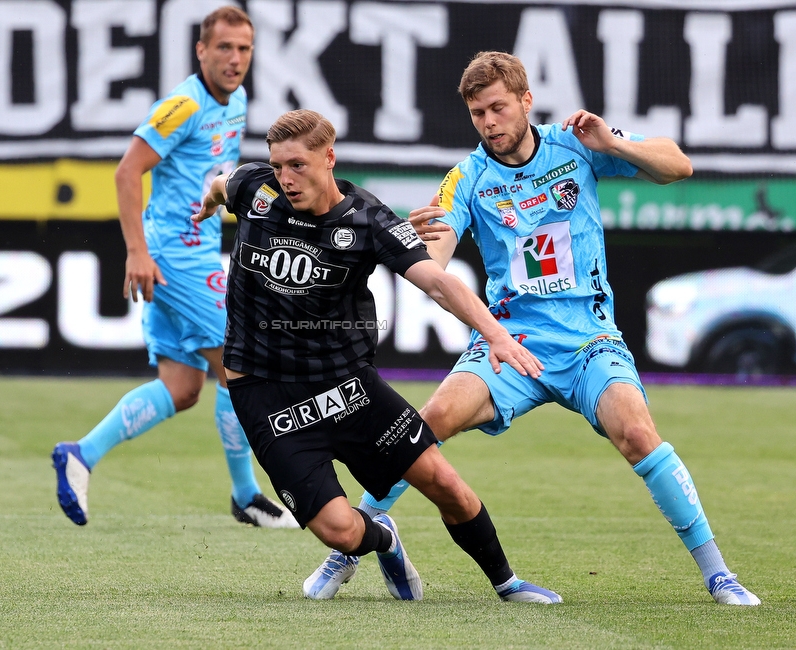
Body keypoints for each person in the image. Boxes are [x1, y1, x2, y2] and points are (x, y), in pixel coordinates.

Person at [306, 51, 761, 606]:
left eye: (498, 108)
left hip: (588, 337)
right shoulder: (468, 176)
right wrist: (419, 247)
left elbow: (677, 165)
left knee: (638, 434)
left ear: (526, 101)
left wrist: (614, 143)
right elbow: (438, 253)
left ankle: (719, 574)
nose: (489, 123)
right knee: (431, 420)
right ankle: (348, 547)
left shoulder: (576, 144)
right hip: (511, 340)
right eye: (478, 114)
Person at [191, 108, 561, 603]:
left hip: (347, 385)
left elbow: (438, 282)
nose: (285, 178)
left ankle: (507, 584)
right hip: (265, 395)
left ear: (329, 157)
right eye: (278, 166)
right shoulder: (256, 190)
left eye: (297, 165)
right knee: (342, 531)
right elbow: (223, 182)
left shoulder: (369, 219)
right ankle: (383, 537)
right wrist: (209, 200)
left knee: (445, 484)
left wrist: (495, 333)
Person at [52, 6, 298, 529]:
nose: (235, 59)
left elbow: (214, 174)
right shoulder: (182, 104)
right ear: (201, 51)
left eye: (244, 49)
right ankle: (247, 493)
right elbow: (127, 171)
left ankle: (81, 454)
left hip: (196, 253)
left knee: (183, 387)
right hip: (171, 258)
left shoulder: (237, 101)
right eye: (225, 48)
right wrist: (137, 252)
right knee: (242, 362)